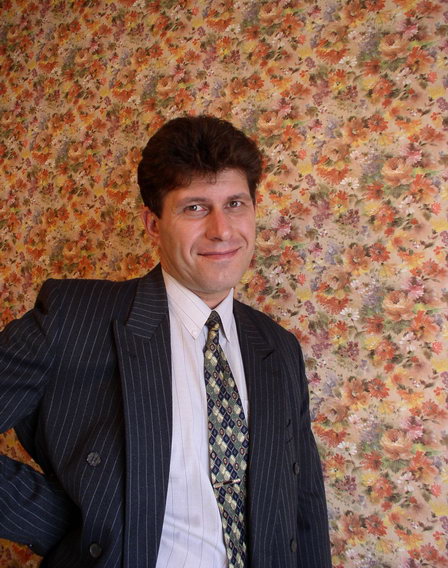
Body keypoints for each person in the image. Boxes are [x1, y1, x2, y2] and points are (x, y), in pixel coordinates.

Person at [0, 116, 331, 567]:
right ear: (153, 225)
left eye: (235, 203)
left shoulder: (278, 346)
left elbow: (304, 501)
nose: (222, 230)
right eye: (195, 207)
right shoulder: (73, 317)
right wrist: (72, 527)